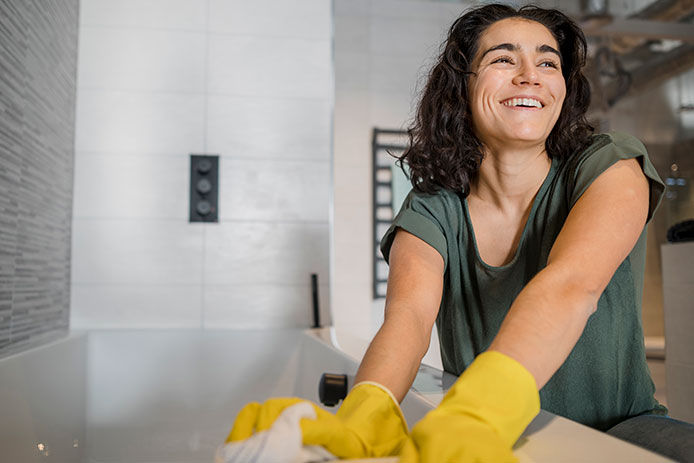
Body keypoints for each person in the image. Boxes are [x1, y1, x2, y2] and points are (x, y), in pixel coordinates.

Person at [226, 4, 694, 462]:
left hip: (620, 428)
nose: (530, 74)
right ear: (461, 89)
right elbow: (407, 320)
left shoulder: (609, 164)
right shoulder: (433, 207)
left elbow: (572, 285)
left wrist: (479, 414)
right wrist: (364, 413)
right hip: (489, 438)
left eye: (547, 62)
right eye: (504, 58)